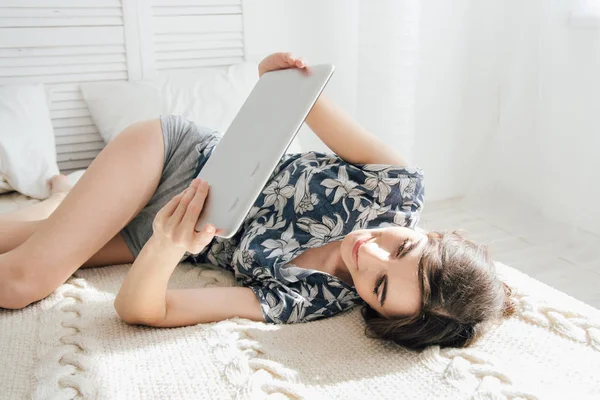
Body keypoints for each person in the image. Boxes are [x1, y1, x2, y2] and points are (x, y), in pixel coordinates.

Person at [0, 52, 514, 350]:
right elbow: (299, 97)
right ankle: (74, 193)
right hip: (171, 159)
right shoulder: (394, 186)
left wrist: (164, 248)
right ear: (430, 234)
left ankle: (66, 193)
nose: (369, 254)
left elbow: (141, 310)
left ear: (379, 314)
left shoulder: (313, 299)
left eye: (379, 286)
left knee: (15, 244)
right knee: (21, 281)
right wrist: (280, 74)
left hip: (155, 234)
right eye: (401, 249)